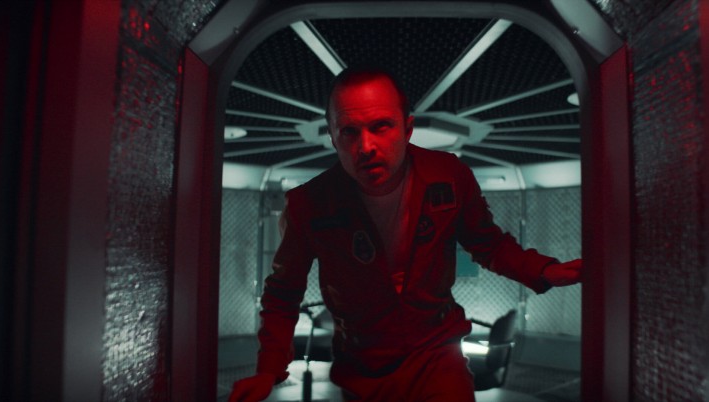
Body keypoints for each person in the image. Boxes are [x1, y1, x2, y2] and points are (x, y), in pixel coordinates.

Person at [228, 67, 582, 402]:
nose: (366, 146)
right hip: (363, 365)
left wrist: (544, 270)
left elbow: (488, 244)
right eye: (349, 132)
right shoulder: (309, 204)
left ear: (408, 129)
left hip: (437, 353)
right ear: (333, 136)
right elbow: (283, 293)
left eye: (381, 126)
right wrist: (268, 369)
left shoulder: (449, 176)